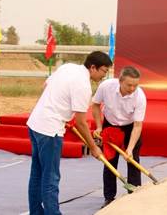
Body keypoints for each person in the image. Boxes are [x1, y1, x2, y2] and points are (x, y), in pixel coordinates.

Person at [26, 51, 111, 215]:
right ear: (93, 67)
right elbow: (81, 122)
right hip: (50, 131)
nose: (104, 76)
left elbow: (45, 86)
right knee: (51, 177)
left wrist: (59, 108)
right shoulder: (83, 86)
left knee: (37, 173)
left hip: (35, 123)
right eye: (104, 71)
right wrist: (93, 147)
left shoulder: (68, 67)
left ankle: (36, 212)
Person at [91, 66, 146, 208]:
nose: (132, 88)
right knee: (110, 162)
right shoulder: (106, 86)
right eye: (129, 85)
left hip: (130, 127)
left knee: (133, 160)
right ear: (120, 81)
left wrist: (130, 149)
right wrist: (99, 127)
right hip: (110, 125)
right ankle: (109, 198)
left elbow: (138, 126)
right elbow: (95, 105)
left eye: (135, 85)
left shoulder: (140, 96)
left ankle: (134, 196)